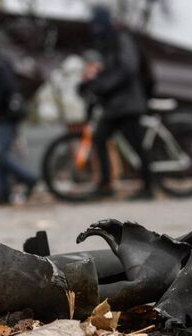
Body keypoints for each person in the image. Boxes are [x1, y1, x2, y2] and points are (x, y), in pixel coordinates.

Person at [79, 6, 154, 200]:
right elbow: (111, 70)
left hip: (128, 103)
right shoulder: (108, 43)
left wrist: (104, 85)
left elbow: (128, 69)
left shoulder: (122, 39)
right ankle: (105, 184)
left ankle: (149, 187)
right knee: (100, 138)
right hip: (115, 104)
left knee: (136, 144)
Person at [0, 39, 38, 205]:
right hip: (4, 117)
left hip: (6, 117)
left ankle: (29, 178)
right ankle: (3, 195)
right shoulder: (0, 64)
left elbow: (6, 89)